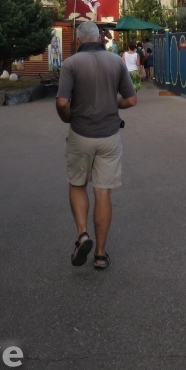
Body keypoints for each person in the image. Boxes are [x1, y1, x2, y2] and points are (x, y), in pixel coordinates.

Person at [56, 21, 137, 271]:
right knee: (103, 191)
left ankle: (83, 235)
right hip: (109, 135)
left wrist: (69, 117)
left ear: (79, 40)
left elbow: (61, 102)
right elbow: (131, 100)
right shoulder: (116, 61)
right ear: (99, 37)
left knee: (78, 184)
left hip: (81, 133)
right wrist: (115, 105)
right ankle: (100, 255)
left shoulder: (71, 64)